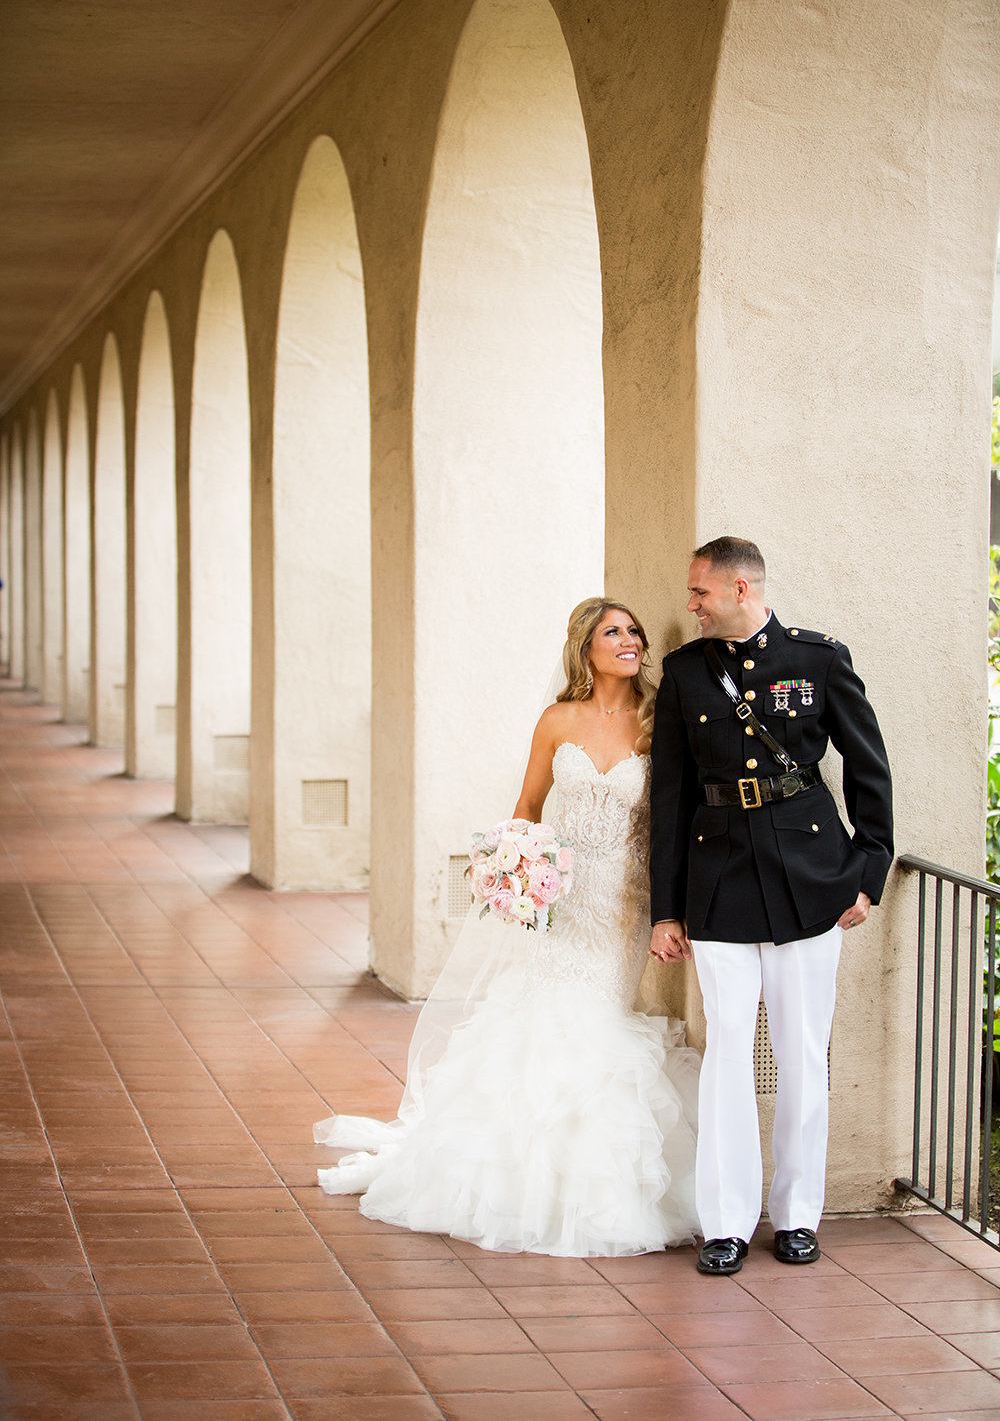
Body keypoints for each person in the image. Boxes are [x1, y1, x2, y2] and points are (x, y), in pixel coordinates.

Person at [314, 597, 699, 1257]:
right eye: (615, 632)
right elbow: (526, 808)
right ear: (586, 648)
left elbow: (670, 816)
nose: (631, 640)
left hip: (623, 909)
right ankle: (521, 1179)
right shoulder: (557, 720)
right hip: (565, 899)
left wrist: (671, 907)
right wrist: (514, 869)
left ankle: (591, 1184)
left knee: (597, 1019)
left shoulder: (656, 722)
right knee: (545, 1015)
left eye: (635, 631)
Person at [648, 537, 892, 1275]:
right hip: (718, 881)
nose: (689, 604)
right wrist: (666, 907)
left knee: (801, 1053)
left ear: (743, 589)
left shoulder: (818, 660)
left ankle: (796, 1217)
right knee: (728, 1051)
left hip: (810, 879)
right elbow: (670, 795)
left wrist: (867, 871)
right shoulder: (686, 673)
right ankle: (725, 1222)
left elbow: (868, 766)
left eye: (700, 593)